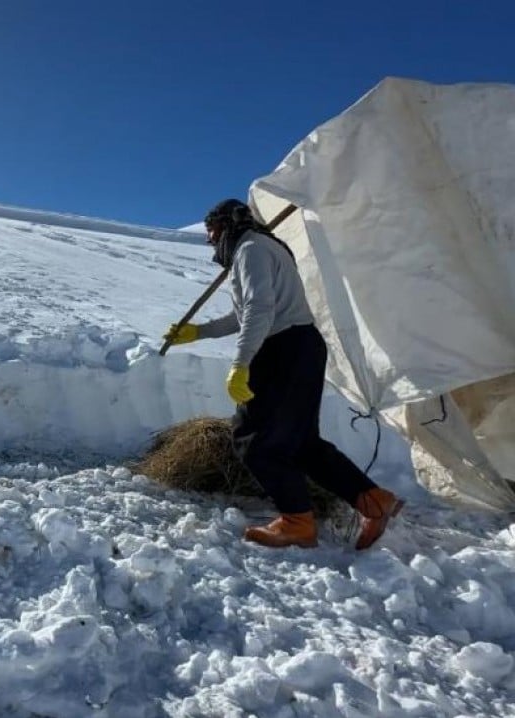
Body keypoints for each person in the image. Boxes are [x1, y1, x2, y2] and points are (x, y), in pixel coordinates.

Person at [164, 198, 402, 550]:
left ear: (230, 224)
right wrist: (199, 332)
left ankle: (297, 522)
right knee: (302, 444)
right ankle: (374, 501)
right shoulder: (262, 248)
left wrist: (241, 364)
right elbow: (244, 315)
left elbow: (260, 310)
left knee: (254, 440)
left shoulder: (250, 250)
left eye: (212, 230)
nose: (209, 240)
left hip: (282, 350)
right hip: (302, 347)